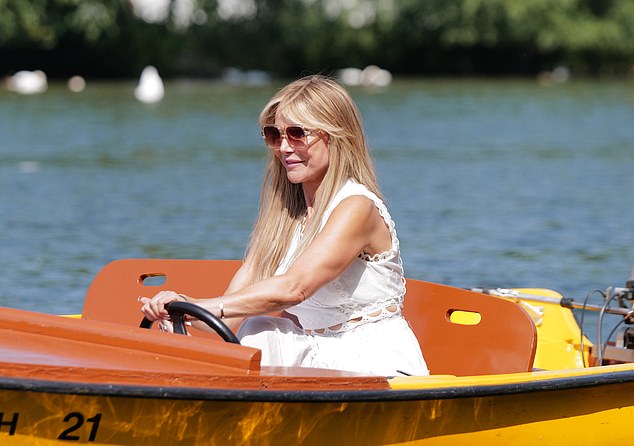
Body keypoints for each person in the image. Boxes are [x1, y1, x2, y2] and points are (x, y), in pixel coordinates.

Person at [140, 75, 428, 376]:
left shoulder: (357, 207)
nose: (284, 147)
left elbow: (295, 288)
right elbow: (228, 320)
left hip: (375, 363)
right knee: (257, 328)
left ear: (337, 135)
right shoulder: (282, 217)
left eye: (297, 133)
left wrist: (209, 305)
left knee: (260, 331)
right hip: (319, 357)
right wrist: (181, 307)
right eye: (274, 135)